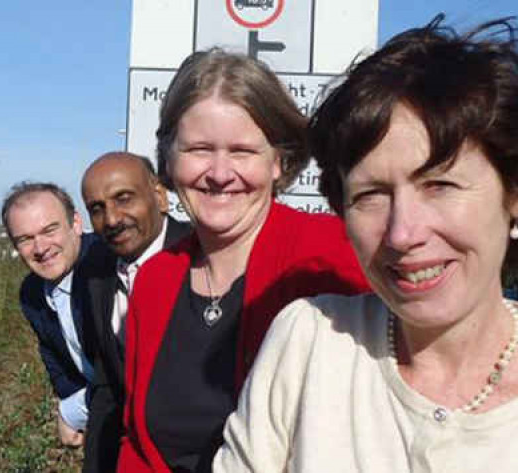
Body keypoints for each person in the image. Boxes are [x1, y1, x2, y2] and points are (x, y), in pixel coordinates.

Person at [214, 16, 518, 472]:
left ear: (517, 192)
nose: (403, 233)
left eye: (439, 185)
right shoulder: (309, 343)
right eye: (371, 195)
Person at [117, 49, 370, 472]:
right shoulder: (155, 279)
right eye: (198, 148)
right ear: (170, 158)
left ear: (278, 161)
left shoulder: (334, 257)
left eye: (242, 151)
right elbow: (138, 444)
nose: (219, 172)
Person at [79, 152, 192, 472]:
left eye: (124, 198)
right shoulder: (95, 271)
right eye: (97, 209)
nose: (112, 219)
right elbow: (108, 387)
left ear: (159, 197)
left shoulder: (205, 257)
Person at [3, 181, 97, 448]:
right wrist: (73, 403)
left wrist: (73, 412)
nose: (40, 247)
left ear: (76, 224)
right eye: (25, 239)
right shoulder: (31, 293)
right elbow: (55, 361)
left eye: (49, 230)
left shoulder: (107, 271)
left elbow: (126, 373)